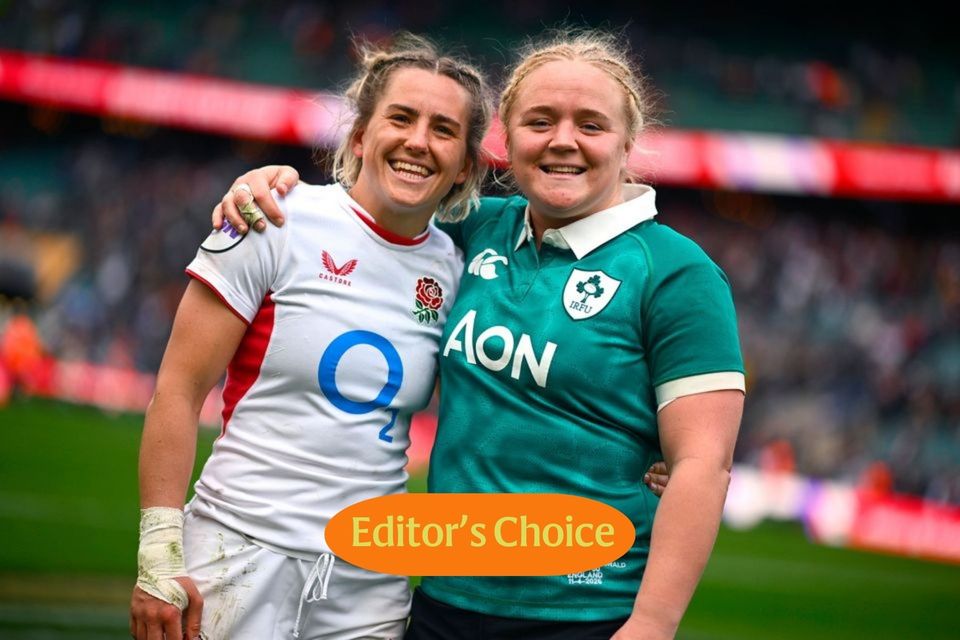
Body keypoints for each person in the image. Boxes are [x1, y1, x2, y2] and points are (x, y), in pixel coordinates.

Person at [218, 30, 737, 640]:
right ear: (507, 140)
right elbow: (368, 203)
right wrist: (275, 185)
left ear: (628, 143)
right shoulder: (470, 229)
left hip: (587, 614)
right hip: (444, 603)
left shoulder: (678, 273)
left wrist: (651, 623)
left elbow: (702, 464)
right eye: (539, 121)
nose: (562, 141)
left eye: (591, 126)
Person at [129, 34, 494, 640]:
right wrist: (159, 553)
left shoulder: (458, 273)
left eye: (444, 130)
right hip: (236, 550)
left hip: (371, 578)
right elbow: (177, 389)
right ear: (358, 137)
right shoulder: (271, 220)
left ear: (466, 164)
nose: (418, 142)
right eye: (400, 118)